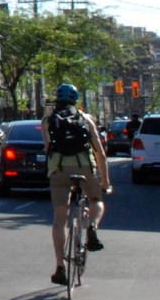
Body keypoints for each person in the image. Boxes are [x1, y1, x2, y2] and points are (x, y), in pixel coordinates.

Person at [41, 83, 111, 286]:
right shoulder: (86, 118)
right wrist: (105, 182)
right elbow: (100, 153)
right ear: (76, 100)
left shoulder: (48, 120)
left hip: (59, 170)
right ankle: (92, 228)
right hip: (84, 168)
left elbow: (48, 150)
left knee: (60, 218)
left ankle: (60, 268)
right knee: (96, 200)